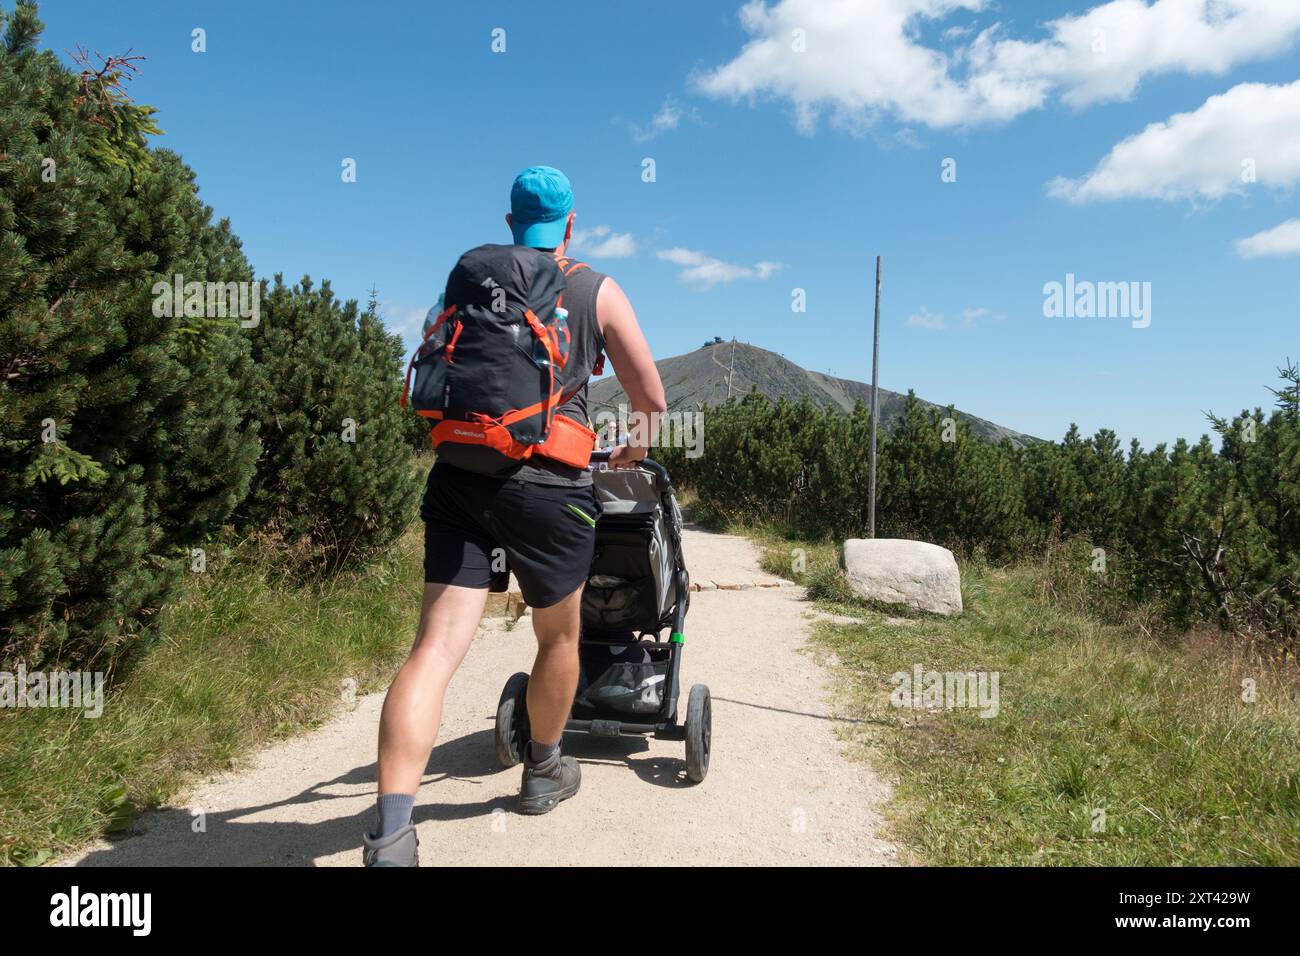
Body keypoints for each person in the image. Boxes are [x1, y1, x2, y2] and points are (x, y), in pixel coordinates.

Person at [363, 166, 667, 866]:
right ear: (569, 225)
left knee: (434, 650)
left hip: (460, 475)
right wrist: (631, 448)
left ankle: (392, 833)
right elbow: (650, 395)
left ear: (509, 224)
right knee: (558, 639)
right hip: (551, 487)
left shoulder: (469, 281)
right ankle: (544, 770)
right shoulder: (595, 287)